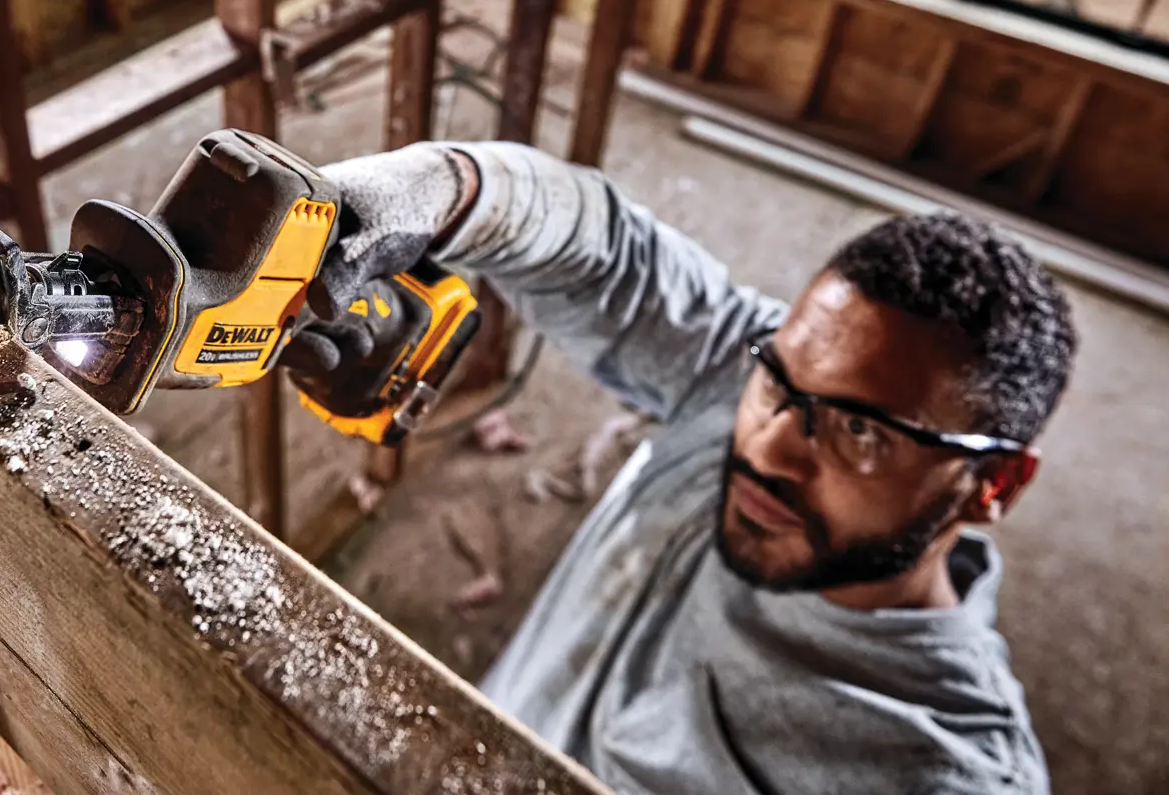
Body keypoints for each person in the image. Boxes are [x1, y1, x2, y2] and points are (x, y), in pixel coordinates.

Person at [282, 141, 1075, 795]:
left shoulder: (943, 773)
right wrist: (434, 190)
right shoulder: (741, 382)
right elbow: (603, 257)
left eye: (859, 432)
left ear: (994, 485)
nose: (765, 447)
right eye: (776, 377)